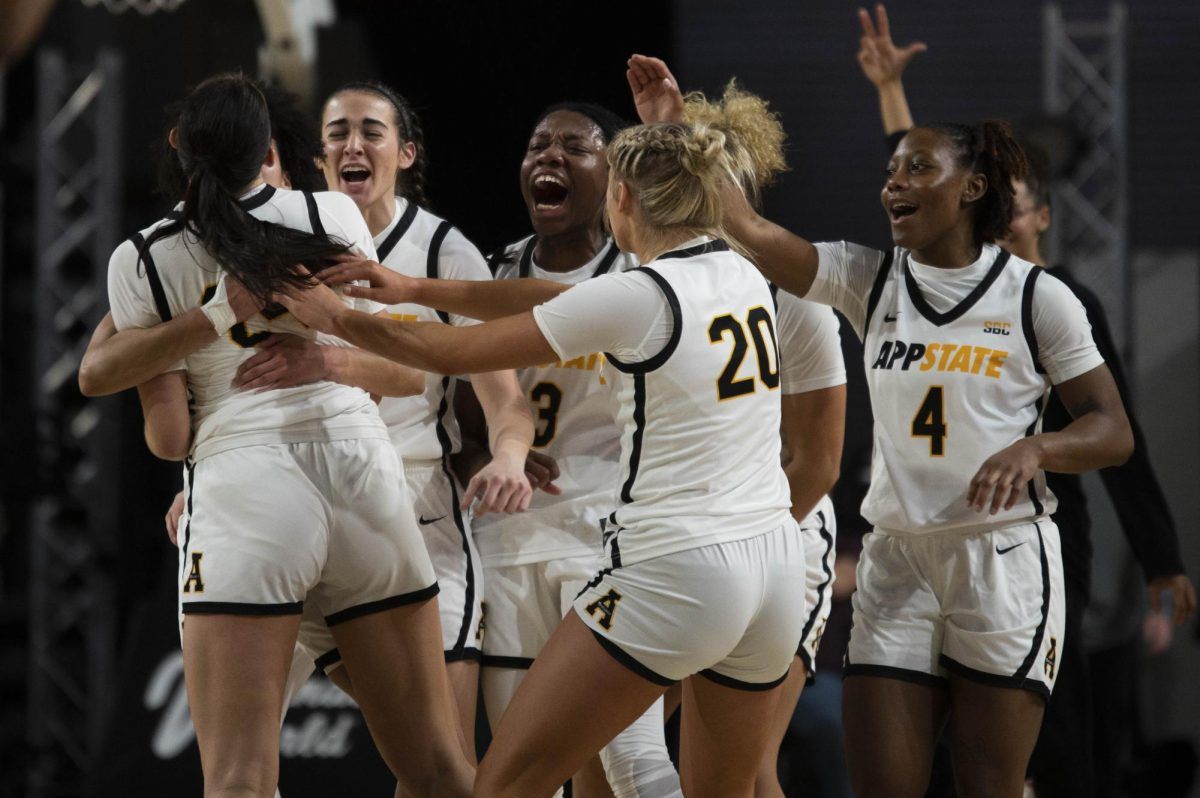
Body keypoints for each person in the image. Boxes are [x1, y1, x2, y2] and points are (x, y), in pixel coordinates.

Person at [626, 53, 1135, 798]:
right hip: (896, 561)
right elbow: (747, 226)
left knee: (988, 786)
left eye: (916, 168)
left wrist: (1036, 448)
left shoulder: (1037, 297)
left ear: (973, 188)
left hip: (1001, 560)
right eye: (891, 170)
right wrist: (677, 130)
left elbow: (1113, 429)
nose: (892, 182)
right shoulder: (871, 278)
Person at [281, 120, 808, 798]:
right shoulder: (739, 271)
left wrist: (338, 316)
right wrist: (414, 289)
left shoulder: (639, 295)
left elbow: (453, 355)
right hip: (771, 567)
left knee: (504, 785)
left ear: (622, 198)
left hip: (679, 565)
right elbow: (549, 299)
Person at [853, 7, 1196, 795]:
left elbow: (1115, 431)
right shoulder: (928, 274)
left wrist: (1161, 556)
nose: (993, 210)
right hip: (916, 539)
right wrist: (892, 90)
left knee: (1049, 723)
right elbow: (915, 173)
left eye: (1010, 200)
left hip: (1034, 526)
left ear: (1036, 213)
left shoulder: (1055, 299)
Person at [104, 73, 472, 797]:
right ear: (271, 150)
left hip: (247, 494)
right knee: (439, 770)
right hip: (364, 472)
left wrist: (202, 330)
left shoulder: (143, 256)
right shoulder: (335, 214)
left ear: (179, 145)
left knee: (240, 780)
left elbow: (169, 436)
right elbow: (400, 365)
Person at [229, 81, 536, 762]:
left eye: (371, 130)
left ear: (404, 152)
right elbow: (235, 384)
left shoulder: (441, 250)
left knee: (437, 759)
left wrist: (509, 455)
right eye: (337, 131)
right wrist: (207, 478)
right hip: (296, 504)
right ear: (317, 157)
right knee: (235, 759)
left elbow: (503, 397)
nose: (352, 143)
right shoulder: (275, 242)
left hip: (411, 509)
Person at [461, 101, 682, 798]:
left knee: (633, 765)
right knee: (524, 773)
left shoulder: (650, 282)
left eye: (573, 147)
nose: (548, 157)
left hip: (609, 543)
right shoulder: (491, 276)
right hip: (508, 543)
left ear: (616, 178)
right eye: (536, 146)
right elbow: (461, 425)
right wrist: (491, 454)